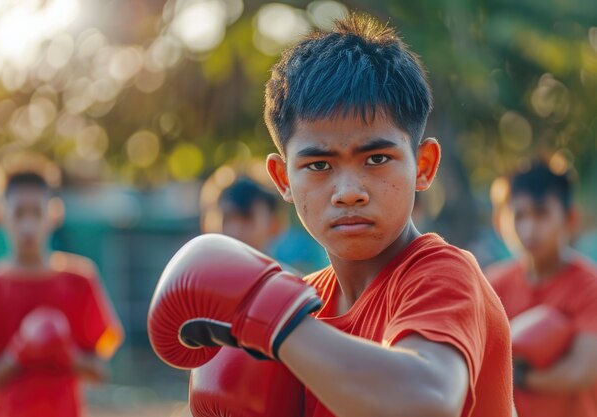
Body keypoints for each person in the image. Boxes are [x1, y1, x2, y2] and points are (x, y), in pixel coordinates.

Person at [148, 13, 513, 417]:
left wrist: (267, 314)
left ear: (423, 165)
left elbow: (426, 402)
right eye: (319, 165)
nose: (349, 192)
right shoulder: (304, 306)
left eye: (377, 158)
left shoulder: (442, 275)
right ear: (282, 179)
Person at [0, 153, 124, 417]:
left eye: (36, 212)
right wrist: (17, 354)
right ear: (0, 215)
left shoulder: (81, 280)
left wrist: (67, 354)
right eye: (19, 213)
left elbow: (102, 372)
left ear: (54, 214)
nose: (28, 225)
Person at [486, 161, 597, 417]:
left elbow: (580, 372)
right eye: (519, 216)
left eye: (541, 213)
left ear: (569, 219)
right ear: (501, 221)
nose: (529, 229)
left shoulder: (590, 287)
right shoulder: (493, 285)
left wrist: (518, 375)